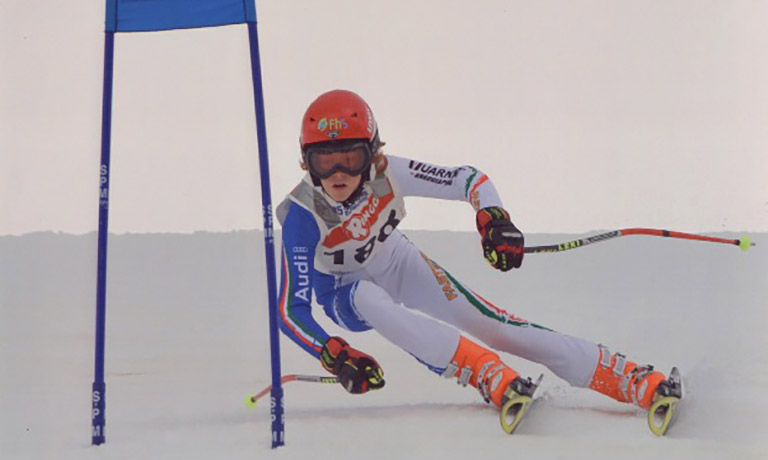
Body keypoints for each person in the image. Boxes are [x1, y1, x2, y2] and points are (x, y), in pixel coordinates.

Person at [276, 89, 675, 415]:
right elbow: (290, 310)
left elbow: (468, 179)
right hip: (345, 292)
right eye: (324, 162)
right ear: (306, 162)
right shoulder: (303, 214)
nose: (338, 174)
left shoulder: (388, 172)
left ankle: (625, 376)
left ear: (373, 151)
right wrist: (332, 352)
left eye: (350, 158)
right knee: (369, 297)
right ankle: (483, 371)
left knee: (493, 325)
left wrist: (493, 219)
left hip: (395, 259)